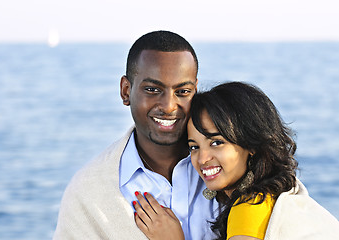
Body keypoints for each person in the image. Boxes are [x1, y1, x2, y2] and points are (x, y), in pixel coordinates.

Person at [53, 31, 218, 240]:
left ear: (195, 90)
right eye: (152, 89)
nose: (168, 106)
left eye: (183, 92)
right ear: (125, 91)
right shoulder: (88, 192)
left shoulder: (230, 168)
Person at [133, 81, 339, 240]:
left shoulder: (249, 209)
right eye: (194, 147)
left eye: (216, 143)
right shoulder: (271, 195)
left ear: (250, 144)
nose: (202, 159)